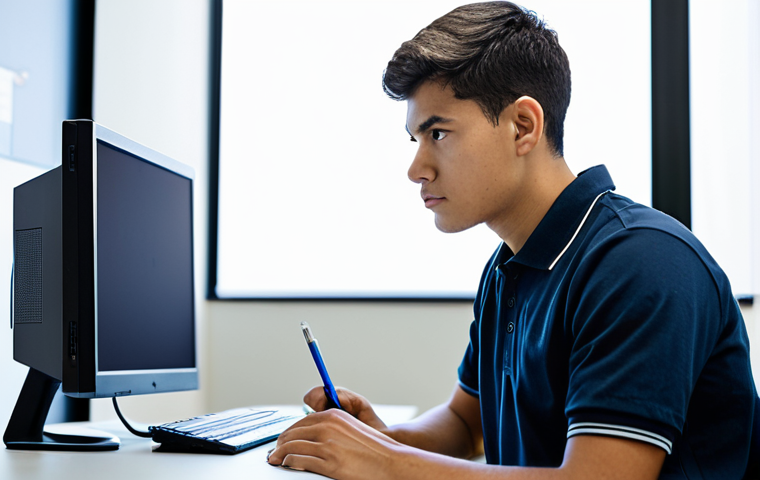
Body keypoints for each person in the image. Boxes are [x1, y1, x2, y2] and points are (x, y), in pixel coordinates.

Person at [267, 2, 757, 478]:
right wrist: (383, 439)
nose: (416, 169)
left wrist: (386, 463)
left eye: (437, 134)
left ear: (523, 126)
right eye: (414, 140)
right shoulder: (510, 268)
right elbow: (466, 424)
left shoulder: (641, 263)